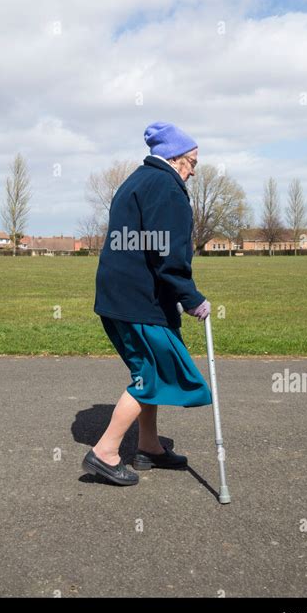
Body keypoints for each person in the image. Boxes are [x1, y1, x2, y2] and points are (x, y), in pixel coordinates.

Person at [82, 121, 212, 486]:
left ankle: (149, 447)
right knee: (152, 375)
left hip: (120, 296)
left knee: (147, 370)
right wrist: (191, 297)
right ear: (174, 158)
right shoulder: (166, 188)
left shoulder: (136, 180)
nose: (192, 171)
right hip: (139, 299)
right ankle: (105, 452)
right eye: (192, 163)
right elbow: (167, 252)